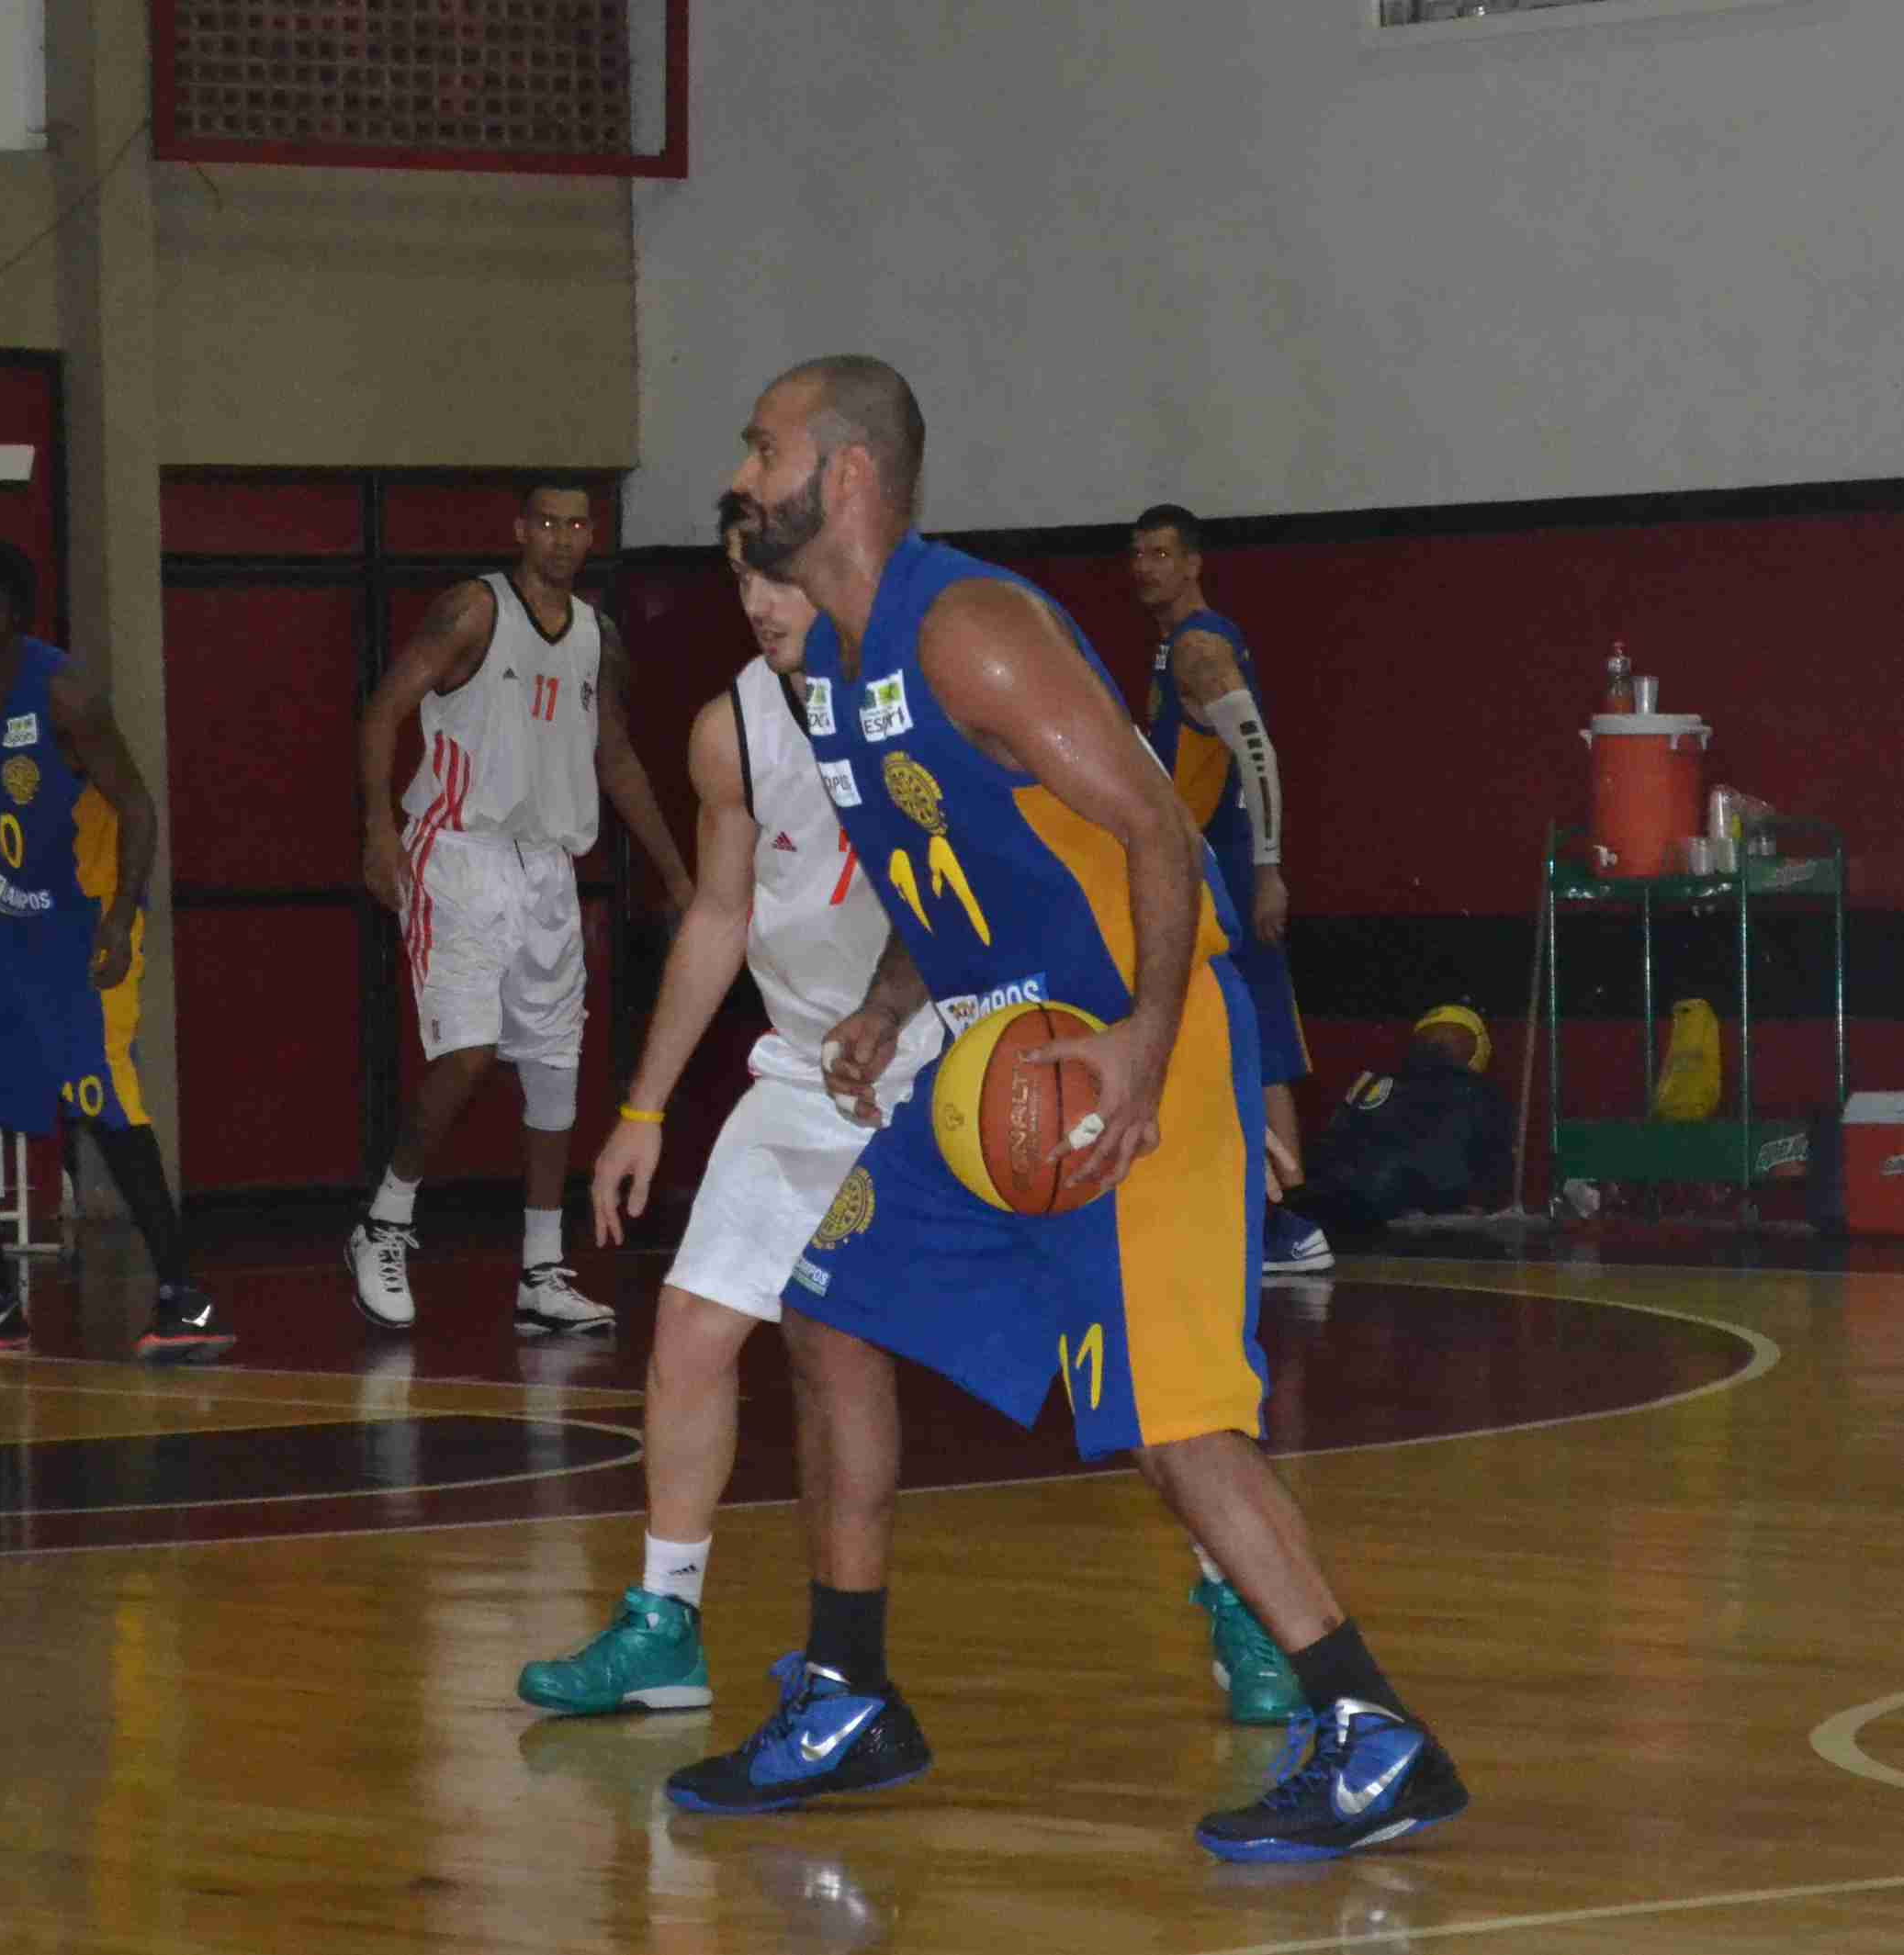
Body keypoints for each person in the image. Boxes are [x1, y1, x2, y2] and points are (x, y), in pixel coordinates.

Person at [670, 356, 1463, 1863]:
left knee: (1177, 1428)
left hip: (1119, 1049)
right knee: (826, 1299)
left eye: (760, 448)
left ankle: (1370, 1726)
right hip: (991, 1061)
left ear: (840, 475)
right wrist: (897, 1000)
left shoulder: (968, 628)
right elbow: (952, 870)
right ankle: (845, 1689)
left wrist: (1152, 1044)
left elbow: (1156, 830)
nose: (737, 474)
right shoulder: (827, 666)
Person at [516, 501, 944, 1714]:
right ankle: (664, 1620)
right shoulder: (731, 730)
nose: (758, 600)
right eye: (738, 575)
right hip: (809, 1071)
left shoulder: (940, 694)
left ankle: (1234, 1596)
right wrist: (642, 1106)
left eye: (780, 574)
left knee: (1090, 1343)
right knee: (692, 1332)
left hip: (960, 1059)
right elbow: (716, 915)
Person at [347, 481, 696, 1336]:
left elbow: (614, 757)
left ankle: (540, 1272)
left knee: (553, 1073)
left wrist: (679, 876)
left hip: (547, 867)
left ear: (591, 535)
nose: (561, 537)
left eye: (577, 524)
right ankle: (383, 1222)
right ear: (518, 530)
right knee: (466, 1057)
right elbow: (385, 706)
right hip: (457, 851)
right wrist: (376, 826)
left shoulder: (595, 637)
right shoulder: (473, 608)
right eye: (546, 522)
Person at [0, 537, 231, 1365]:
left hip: (83, 914)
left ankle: (187, 1295)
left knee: (100, 1090)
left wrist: (120, 918)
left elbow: (139, 805)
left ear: (15, 619)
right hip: (4, 910)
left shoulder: (65, 692)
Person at [1131, 505, 1333, 1279]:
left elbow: (1260, 757)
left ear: (1192, 564)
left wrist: (1268, 870)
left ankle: (1276, 1223)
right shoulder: (1172, 650)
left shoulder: (1200, 647)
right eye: (1136, 554)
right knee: (1259, 1044)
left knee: (1242, 1044)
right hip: (1215, 872)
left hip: (1228, 879)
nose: (1144, 567)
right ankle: (1281, 1219)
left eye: (1159, 553)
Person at [1293, 1005, 1512, 1240]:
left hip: (1327, 1208)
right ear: (1477, 1050)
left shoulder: (1370, 1082)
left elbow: (1331, 1145)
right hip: (1411, 1219)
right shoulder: (1482, 1093)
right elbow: (1493, 1168)